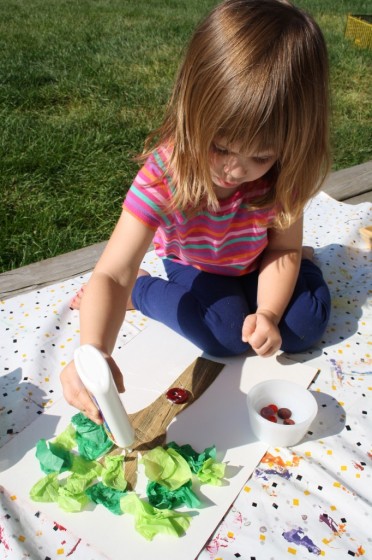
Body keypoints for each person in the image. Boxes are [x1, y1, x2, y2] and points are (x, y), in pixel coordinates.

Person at [61, 0, 331, 424]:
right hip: (198, 265)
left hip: (261, 259)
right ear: (192, 111)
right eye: (220, 147)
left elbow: (282, 249)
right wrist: (92, 350)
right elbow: (113, 272)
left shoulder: (285, 172)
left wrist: (268, 314)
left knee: (304, 327)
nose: (234, 170)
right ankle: (144, 294)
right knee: (225, 336)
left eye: (260, 156)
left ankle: (304, 266)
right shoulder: (165, 176)